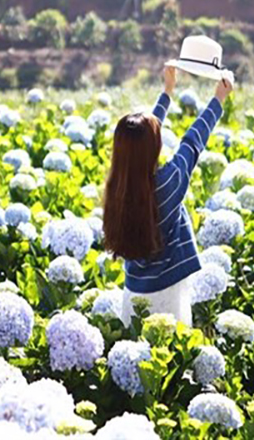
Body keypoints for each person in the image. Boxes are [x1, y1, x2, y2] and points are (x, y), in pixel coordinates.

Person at [103, 65, 234, 326]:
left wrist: (167, 93)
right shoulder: (168, 183)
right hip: (168, 295)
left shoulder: (117, 187)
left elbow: (138, 139)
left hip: (134, 294)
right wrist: (218, 98)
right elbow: (193, 142)